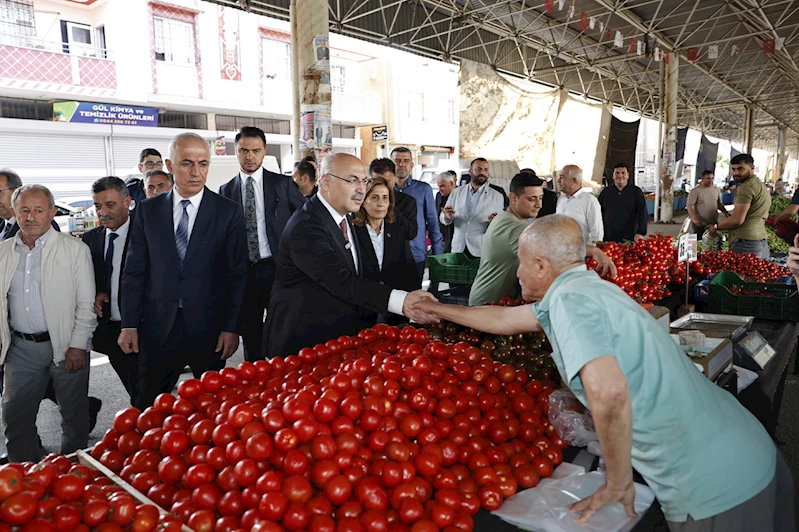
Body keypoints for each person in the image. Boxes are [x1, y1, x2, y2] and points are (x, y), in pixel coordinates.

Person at [411, 215, 793, 532]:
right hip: (749, 450)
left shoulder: (569, 301)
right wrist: (438, 308)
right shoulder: (587, 289)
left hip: (717, 488)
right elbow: (505, 318)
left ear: (542, 266)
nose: (518, 270)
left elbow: (608, 393)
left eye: (521, 261)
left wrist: (617, 480)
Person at [119, 133, 248, 409]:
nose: (196, 172)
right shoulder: (147, 211)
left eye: (203, 164)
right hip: (157, 327)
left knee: (212, 409)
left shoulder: (228, 212)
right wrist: (129, 322)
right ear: (169, 164)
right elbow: (134, 270)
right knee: (148, 406)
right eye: (187, 163)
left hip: (209, 329)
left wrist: (231, 327)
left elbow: (238, 275)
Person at [263, 153, 437, 358]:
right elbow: (341, 281)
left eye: (363, 181)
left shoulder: (346, 219)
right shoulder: (307, 226)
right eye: (352, 180)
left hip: (336, 340)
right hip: (303, 345)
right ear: (326, 182)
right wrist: (403, 302)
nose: (361, 189)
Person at [0, 185, 96, 462]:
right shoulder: (4, 251)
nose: (31, 217)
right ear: (14, 213)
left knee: (74, 415)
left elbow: (86, 304)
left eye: (38, 211)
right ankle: (23, 473)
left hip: (66, 345)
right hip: (21, 348)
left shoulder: (75, 250)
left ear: (52, 213)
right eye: (24, 211)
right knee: (15, 415)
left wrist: (78, 345)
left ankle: (74, 471)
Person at [219, 127, 306, 362]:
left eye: (256, 150)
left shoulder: (284, 184)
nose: (250, 156)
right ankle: (255, 378)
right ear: (235, 151)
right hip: (245, 272)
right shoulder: (226, 191)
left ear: (264, 151)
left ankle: (285, 375)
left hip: (279, 268)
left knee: (284, 326)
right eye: (244, 150)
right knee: (251, 332)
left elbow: (307, 220)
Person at [469, 174, 617, 306]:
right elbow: (553, 247)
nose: (539, 205)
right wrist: (593, 251)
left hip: (498, 303)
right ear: (513, 198)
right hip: (488, 305)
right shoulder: (513, 227)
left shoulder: (507, 217)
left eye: (540, 198)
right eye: (532, 199)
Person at [82, 177, 138, 405]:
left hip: (143, 327)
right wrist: (97, 292)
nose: (102, 212)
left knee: (145, 389)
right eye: (97, 206)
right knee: (133, 387)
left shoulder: (145, 235)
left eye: (110, 205)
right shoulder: (90, 239)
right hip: (109, 331)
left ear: (127, 202)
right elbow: (89, 277)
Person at [352, 176, 418, 324]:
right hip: (361, 309)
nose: (380, 203)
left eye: (385, 198)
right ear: (363, 201)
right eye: (374, 197)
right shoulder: (352, 232)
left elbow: (408, 270)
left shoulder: (397, 233)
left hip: (394, 311)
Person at [391, 147, 443, 282]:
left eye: (406, 161)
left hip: (416, 253)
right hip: (390, 254)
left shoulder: (423, 189)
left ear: (411, 165)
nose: (401, 164)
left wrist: (437, 258)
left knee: (415, 297)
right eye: (397, 161)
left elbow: (433, 225)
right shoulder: (384, 191)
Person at [708, 154, 771, 259]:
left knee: (740, 275)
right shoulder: (759, 184)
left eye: (740, 169)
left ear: (752, 168)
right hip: (761, 242)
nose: (736, 173)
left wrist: (715, 227)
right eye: (733, 169)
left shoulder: (746, 187)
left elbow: (737, 220)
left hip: (746, 243)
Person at [439, 158, 506, 258]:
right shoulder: (456, 192)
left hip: (481, 249)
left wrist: (494, 223)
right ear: (470, 172)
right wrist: (447, 217)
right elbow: (443, 217)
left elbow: (500, 226)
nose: (482, 173)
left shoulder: (497, 196)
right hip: (459, 248)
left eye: (486, 170)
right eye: (479, 169)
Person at [368, 158, 417, 243]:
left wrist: (390, 206)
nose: (382, 186)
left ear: (394, 181)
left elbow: (411, 233)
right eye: (377, 182)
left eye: (387, 182)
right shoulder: (363, 202)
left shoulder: (408, 201)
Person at [598, 163, 648, 242]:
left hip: (630, 237)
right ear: (613, 176)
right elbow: (598, 214)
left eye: (623, 173)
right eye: (617, 173)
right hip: (608, 238)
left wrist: (641, 232)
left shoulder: (636, 192)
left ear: (628, 175)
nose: (620, 176)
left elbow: (642, 213)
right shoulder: (605, 193)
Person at [556, 164, 603, 244]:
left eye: (562, 177)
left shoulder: (589, 201)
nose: (558, 180)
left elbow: (596, 234)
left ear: (573, 180)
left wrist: (591, 253)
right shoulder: (561, 199)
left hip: (581, 253)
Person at [687, 170, 728, 235]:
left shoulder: (716, 189)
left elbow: (719, 204)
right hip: (700, 224)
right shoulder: (695, 191)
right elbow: (689, 206)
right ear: (702, 179)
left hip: (713, 222)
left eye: (712, 178)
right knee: (700, 241)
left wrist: (726, 213)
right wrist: (695, 218)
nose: (710, 180)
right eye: (708, 178)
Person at [435, 171, 456, 253]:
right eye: (439, 186)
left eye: (443, 186)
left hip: (455, 238)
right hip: (442, 238)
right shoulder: (439, 195)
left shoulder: (461, 195)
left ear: (451, 183)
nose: (440, 189)